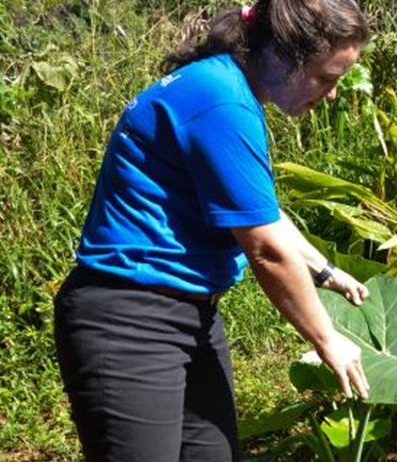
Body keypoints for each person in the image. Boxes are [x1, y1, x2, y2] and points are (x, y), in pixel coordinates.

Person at [53, 1, 371, 461]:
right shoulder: (220, 101)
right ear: (283, 55)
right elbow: (265, 248)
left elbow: (256, 211)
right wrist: (328, 340)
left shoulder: (221, 86)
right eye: (327, 77)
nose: (332, 93)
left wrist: (325, 271)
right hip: (128, 322)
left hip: (191, 318)